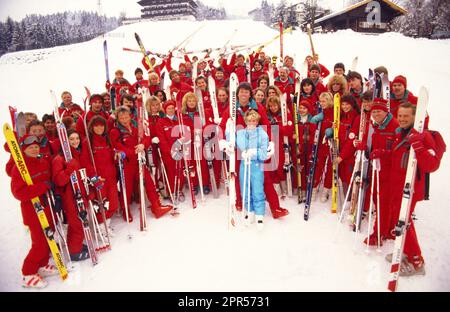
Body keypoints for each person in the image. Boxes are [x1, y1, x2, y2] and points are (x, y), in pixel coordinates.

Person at [386, 102, 442, 276]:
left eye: (406, 116)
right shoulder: (400, 133)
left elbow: (432, 165)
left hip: (411, 189)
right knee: (399, 219)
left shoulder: (423, 136)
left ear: (414, 117)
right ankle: (405, 251)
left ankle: (417, 262)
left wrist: (418, 146)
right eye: (400, 116)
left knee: (405, 222)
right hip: (397, 186)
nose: (402, 119)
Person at [11, 134, 60, 288]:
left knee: (48, 238)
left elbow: (50, 181)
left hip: (47, 207)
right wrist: (42, 187)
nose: (34, 149)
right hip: (33, 212)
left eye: (36, 146)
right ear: (24, 150)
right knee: (39, 243)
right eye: (30, 147)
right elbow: (18, 192)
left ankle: (42, 264)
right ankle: (28, 272)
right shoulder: (19, 168)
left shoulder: (43, 161)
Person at [109, 106, 173, 221]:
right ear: (118, 119)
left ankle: (156, 206)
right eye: (121, 117)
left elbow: (146, 137)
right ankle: (125, 210)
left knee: (149, 183)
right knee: (127, 188)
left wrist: (143, 145)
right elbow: (117, 147)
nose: (124, 119)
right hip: (127, 163)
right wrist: (134, 151)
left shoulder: (136, 127)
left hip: (140, 161)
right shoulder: (115, 131)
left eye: (126, 116)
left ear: (130, 116)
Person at [362, 99, 399, 246]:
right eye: (374, 111)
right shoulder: (377, 126)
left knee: (383, 202)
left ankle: (378, 233)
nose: (376, 114)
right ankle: (389, 229)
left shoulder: (394, 126)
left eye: (379, 111)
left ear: (386, 112)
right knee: (380, 201)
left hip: (390, 171)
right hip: (378, 168)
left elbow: (398, 151)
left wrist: (382, 153)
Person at [52, 129, 91, 262]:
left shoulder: (76, 154)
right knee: (77, 224)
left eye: (77, 138)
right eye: (71, 139)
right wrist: (69, 169)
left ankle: (75, 245)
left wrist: (86, 193)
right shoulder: (59, 159)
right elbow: (59, 181)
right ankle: (75, 252)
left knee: (78, 222)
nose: (75, 141)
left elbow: (80, 176)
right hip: (69, 197)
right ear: (65, 141)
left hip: (79, 194)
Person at [81, 116, 119, 232]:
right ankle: (101, 227)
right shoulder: (88, 141)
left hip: (111, 177)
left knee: (113, 204)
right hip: (99, 178)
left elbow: (112, 155)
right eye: (96, 125)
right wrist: (93, 177)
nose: (99, 128)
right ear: (92, 127)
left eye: (101, 125)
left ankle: (105, 223)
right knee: (101, 205)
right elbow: (85, 161)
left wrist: (116, 156)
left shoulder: (107, 139)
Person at [236, 110, 269, 229]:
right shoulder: (240, 133)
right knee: (244, 188)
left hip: (256, 165)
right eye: (249, 120)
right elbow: (233, 143)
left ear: (257, 121)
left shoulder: (262, 134)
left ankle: (259, 214)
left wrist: (253, 152)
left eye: (254, 120)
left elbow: (264, 154)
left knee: (257, 188)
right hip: (244, 164)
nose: (251, 123)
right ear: (245, 121)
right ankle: (249, 210)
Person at [310, 92, 334, 202]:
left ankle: (326, 190)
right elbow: (315, 126)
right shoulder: (322, 112)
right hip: (321, 143)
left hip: (332, 143)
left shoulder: (335, 112)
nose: (322, 103)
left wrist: (332, 130)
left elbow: (338, 125)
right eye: (320, 101)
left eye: (324, 101)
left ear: (329, 101)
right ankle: (314, 188)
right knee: (318, 166)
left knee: (330, 167)